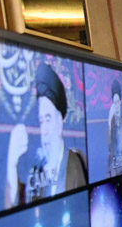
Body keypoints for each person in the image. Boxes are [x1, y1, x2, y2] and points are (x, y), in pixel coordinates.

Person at [5, 62, 86, 208]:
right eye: (41, 121)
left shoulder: (75, 163)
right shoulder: (37, 169)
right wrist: (12, 166)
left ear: (60, 122)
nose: (44, 130)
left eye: (48, 120)